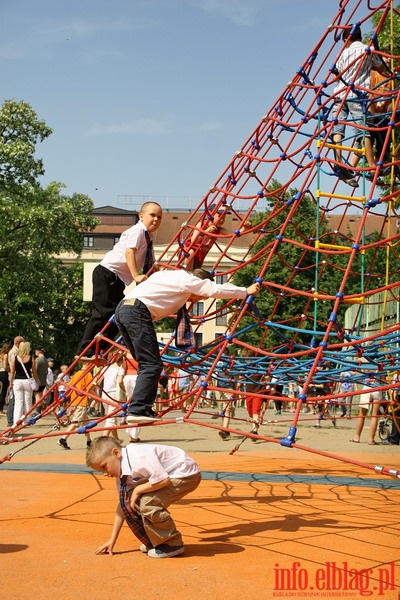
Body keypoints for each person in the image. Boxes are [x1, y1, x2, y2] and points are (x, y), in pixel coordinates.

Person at [114, 268, 261, 423]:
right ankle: (137, 409)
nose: (197, 300)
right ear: (198, 284)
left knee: (146, 364)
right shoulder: (187, 280)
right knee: (152, 364)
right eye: (201, 296)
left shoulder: (170, 276)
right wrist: (245, 291)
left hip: (123, 311)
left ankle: (142, 408)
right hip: (137, 312)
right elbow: (215, 289)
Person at [87, 436, 201, 558]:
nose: (104, 473)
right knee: (130, 500)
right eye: (100, 470)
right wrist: (112, 539)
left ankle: (172, 544)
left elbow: (163, 480)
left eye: (104, 466)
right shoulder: (121, 473)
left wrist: (137, 489)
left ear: (116, 453)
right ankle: (156, 541)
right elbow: (122, 505)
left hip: (185, 474)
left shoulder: (138, 457)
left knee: (148, 503)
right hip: (167, 476)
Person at [77, 202, 163, 358]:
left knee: (120, 315)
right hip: (107, 273)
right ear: (141, 216)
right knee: (101, 313)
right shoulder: (138, 231)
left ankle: (100, 349)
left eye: (159, 217)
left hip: (117, 279)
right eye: (152, 215)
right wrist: (136, 276)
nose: (156, 219)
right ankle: (86, 350)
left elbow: (148, 258)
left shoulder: (148, 236)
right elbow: (129, 252)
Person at [332, 24, 387, 186]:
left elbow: (337, 74)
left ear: (346, 39)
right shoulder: (367, 50)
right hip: (357, 95)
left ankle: (339, 161)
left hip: (339, 95)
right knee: (365, 131)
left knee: (337, 127)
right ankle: (371, 167)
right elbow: (382, 68)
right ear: (360, 37)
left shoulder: (342, 54)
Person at [182, 204, 252, 270]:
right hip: (186, 253)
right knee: (190, 252)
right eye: (219, 216)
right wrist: (206, 231)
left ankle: (189, 273)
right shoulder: (201, 225)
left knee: (198, 274)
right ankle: (186, 272)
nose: (222, 220)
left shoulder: (218, 230)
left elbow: (233, 235)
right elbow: (194, 241)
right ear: (211, 215)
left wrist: (244, 229)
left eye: (224, 217)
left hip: (199, 259)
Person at [57, 366, 95, 450]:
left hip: (76, 400)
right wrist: (96, 397)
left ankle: (89, 441)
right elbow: (89, 389)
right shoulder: (88, 374)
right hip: (82, 401)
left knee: (86, 422)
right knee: (76, 422)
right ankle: (63, 439)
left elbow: (71, 385)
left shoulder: (76, 374)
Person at [9, 341, 38, 426]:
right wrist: (36, 381)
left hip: (17, 381)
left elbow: (12, 372)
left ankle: (16, 422)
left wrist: (11, 383)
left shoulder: (15, 358)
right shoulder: (31, 358)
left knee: (18, 402)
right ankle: (27, 421)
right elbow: (34, 371)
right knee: (28, 402)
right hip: (27, 381)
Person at [350, 377, 383, 445]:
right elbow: (382, 379)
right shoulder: (381, 367)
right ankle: (371, 439)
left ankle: (357, 437)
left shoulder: (366, 366)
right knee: (374, 415)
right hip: (377, 388)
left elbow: (362, 373)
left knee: (362, 414)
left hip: (367, 388)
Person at [6, 336, 25, 426]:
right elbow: (13, 367)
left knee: (16, 400)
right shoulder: (14, 352)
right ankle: (10, 420)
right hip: (15, 377)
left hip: (17, 377)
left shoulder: (16, 351)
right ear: (18, 342)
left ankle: (13, 420)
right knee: (13, 400)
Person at [0, 342, 11, 414]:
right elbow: (5, 366)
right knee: (3, 392)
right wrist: (10, 368)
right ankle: (0, 409)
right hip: (3, 373)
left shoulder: (0, 354)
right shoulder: (6, 355)